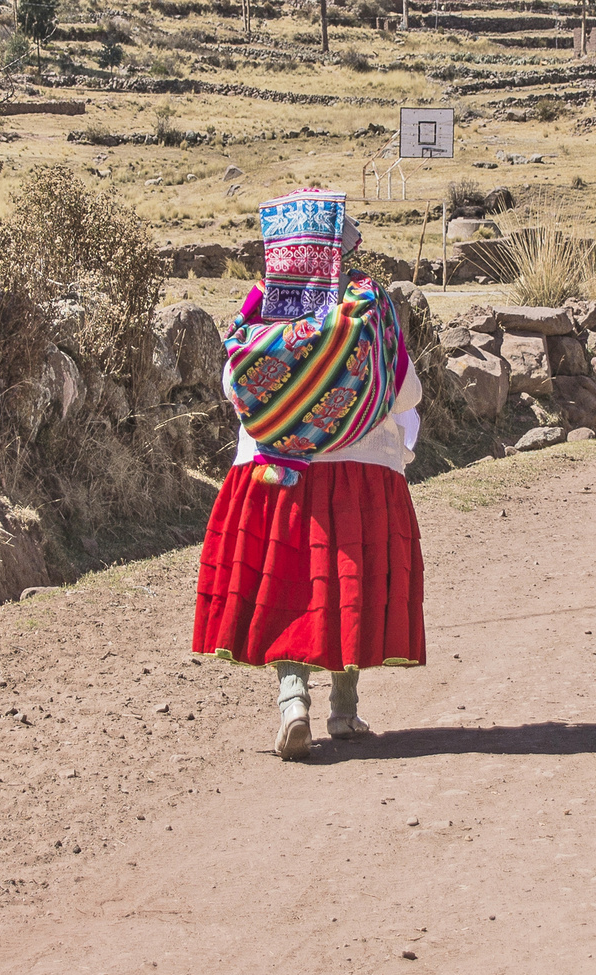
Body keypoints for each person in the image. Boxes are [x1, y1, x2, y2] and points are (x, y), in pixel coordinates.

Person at [193, 188, 426, 761]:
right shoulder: (366, 307)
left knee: (290, 583)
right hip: (362, 469)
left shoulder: (259, 310)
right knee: (347, 580)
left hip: (274, 471)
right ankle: (344, 711)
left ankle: (292, 700)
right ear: (338, 250)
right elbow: (406, 391)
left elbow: (233, 386)